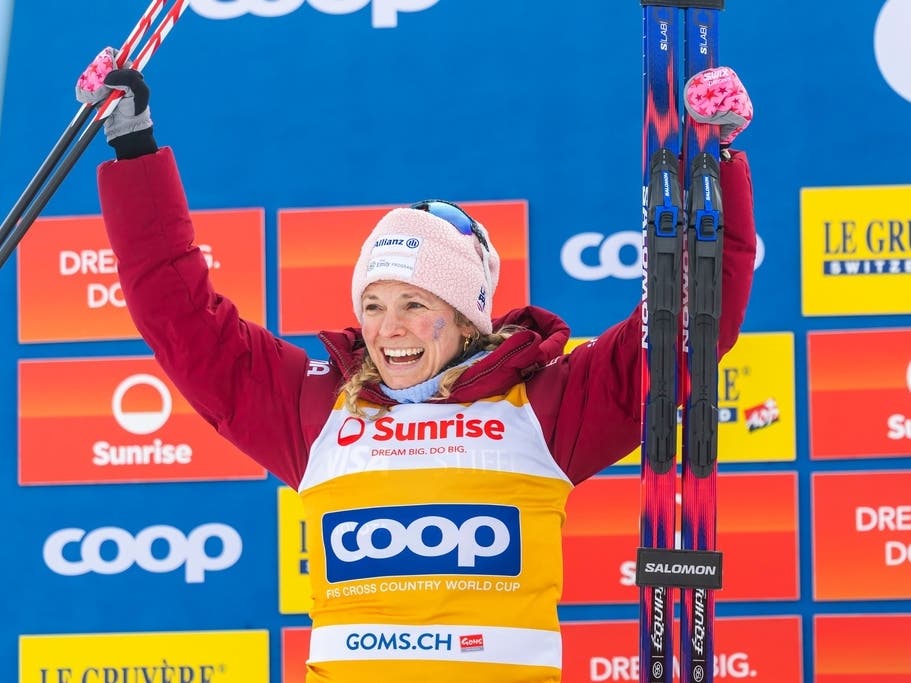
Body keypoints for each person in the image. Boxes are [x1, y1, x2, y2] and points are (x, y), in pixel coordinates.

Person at [76, 47, 756, 683]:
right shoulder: (313, 410)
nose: (389, 329)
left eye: (415, 303)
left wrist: (714, 160)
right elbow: (180, 315)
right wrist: (133, 147)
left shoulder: (546, 406)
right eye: (372, 305)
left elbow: (688, 332)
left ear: (467, 318)